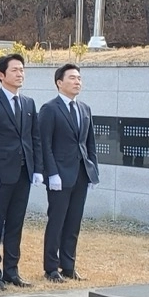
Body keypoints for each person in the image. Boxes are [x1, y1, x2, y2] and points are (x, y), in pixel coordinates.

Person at [0, 54, 43, 290]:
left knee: (15, 223)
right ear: (1, 75)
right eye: (14, 70)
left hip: (23, 173)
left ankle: (11, 271)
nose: (20, 74)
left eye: (22, 70)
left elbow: (34, 138)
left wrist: (37, 169)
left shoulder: (28, 103)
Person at [39, 64, 99, 283]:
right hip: (59, 175)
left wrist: (93, 171)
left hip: (81, 174)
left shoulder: (84, 109)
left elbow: (90, 143)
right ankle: (51, 268)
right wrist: (51, 173)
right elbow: (45, 144)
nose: (77, 82)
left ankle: (68, 265)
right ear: (59, 83)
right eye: (72, 78)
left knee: (74, 222)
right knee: (57, 221)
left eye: (79, 78)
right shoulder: (50, 109)